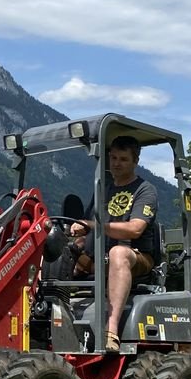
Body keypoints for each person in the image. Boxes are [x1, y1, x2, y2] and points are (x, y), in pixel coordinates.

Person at [68, 135, 158, 352]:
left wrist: (94, 225)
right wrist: (76, 240)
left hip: (137, 257)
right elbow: (88, 228)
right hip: (99, 256)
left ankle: (111, 331)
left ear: (135, 161)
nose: (116, 163)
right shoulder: (102, 189)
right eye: (114, 157)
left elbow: (136, 228)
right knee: (51, 247)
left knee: (119, 252)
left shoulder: (145, 190)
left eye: (123, 159)